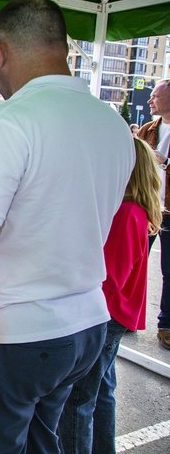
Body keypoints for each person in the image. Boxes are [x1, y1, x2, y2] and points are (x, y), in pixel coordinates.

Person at [0, 0, 134, 453]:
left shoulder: (8, 120)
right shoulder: (112, 124)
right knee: (41, 440)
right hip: (83, 325)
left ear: (0, 50)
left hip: (8, 335)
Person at [58, 137, 162, 453]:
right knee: (100, 393)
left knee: (78, 400)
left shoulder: (126, 212)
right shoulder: (133, 210)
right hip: (114, 313)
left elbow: (110, 278)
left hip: (106, 315)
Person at [136, 78, 170, 350]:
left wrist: (165, 161)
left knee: (168, 270)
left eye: (155, 96)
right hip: (146, 207)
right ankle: (127, 317)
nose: (149, 100)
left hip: (168, 211)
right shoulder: (148, 129)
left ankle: (166, 325)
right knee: (134, 263)